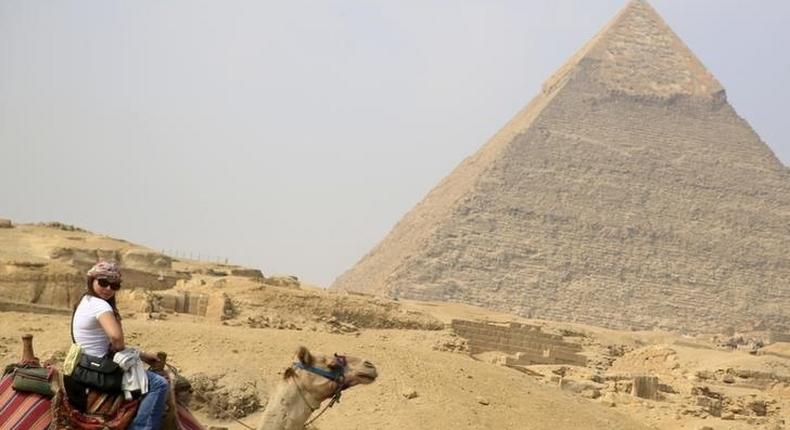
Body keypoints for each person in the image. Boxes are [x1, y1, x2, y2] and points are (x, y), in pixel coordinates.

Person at [67, 260, 169, 430]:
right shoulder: (100, 305)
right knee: (159, 383)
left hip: (85, 364)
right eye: (103, 282)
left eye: (114, 285)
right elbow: (116, 338)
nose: (108, 289)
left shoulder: (85, 300)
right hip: (98, 370)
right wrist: (125, 350)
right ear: (92, 280)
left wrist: (141, 356)